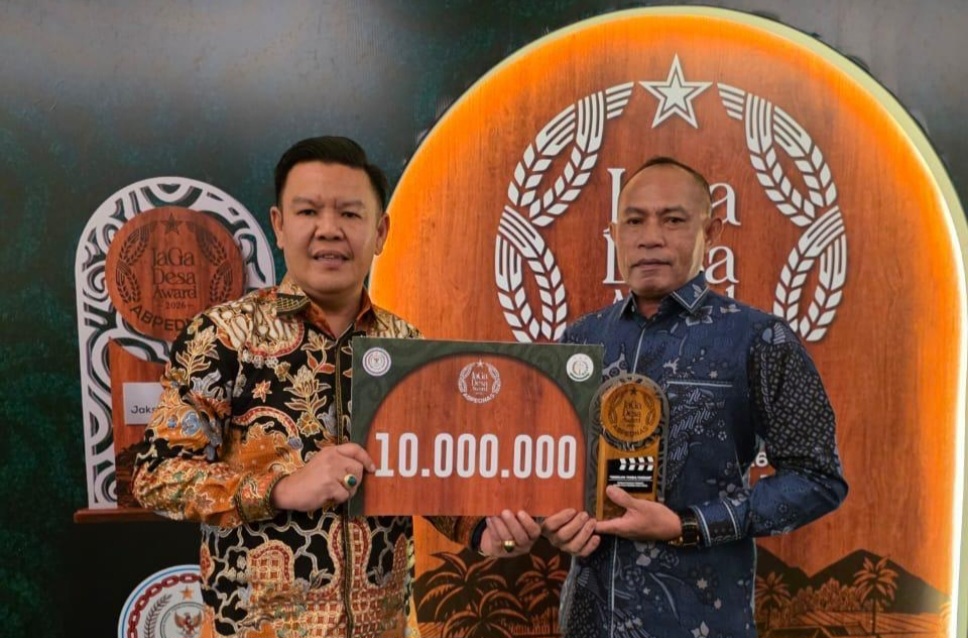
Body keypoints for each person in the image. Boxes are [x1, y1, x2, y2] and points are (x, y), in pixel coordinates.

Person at [133, 136, 540, 638]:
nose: (329, 229)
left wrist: (483, 529)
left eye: (350, 213)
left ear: (380, 231)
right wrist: (280, 488)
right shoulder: (224, 336)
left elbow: (428, 477)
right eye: (308, 211)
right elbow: (156, 476)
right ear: (279, 225)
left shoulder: (406, 344)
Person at [541, 156, 848, 638]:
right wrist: (556, 523)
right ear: (615, 234)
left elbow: (818, 478)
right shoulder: (581, 340)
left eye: (673, 220)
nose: (650, 237)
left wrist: (688, 524)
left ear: (711, 230)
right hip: (587, 622)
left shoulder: (758, 338)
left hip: (701, 622)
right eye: (634, 221)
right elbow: (554, 469)